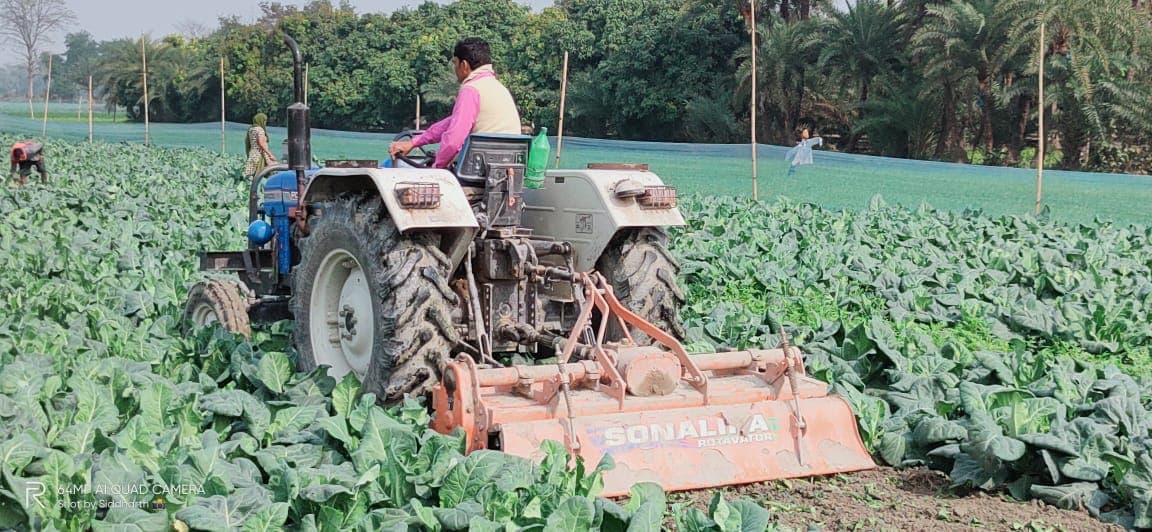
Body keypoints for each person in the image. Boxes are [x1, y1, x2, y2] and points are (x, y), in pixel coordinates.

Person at [389, 38, 521, 169]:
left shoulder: (471, 89)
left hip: (476, 173)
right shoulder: (498, 88)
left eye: (455, 63)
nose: (454, 68)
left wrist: (437, 167)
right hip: (505, 171)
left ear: (464, 65)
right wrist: (414, 142)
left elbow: (453, 141)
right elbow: (451, 124)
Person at [243, 113, 277, 178]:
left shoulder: (251, 129)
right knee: (271, 171)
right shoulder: (260, 130)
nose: (265, 123)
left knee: (253, 176)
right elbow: (261, 143)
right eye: (264, 121)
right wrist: (270, 154)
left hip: (253, 154)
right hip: (260, 155)